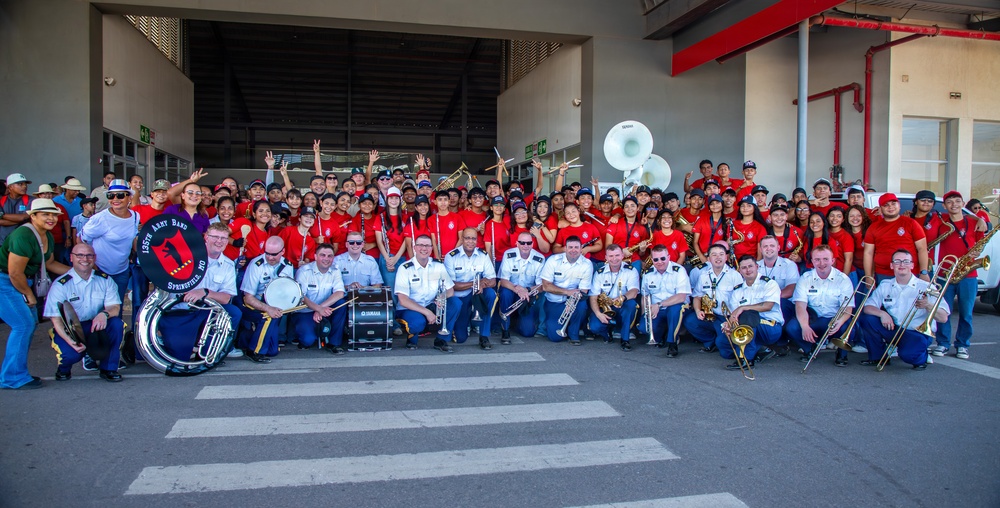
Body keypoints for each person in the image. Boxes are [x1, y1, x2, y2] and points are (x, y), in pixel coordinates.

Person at [0, 199, 71, 389]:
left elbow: (50, 264)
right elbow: (14, 273)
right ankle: (12, 377)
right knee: (23, 325)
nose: (51, 218)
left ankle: (15, 374)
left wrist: (78, 272)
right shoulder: (23, 235)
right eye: (45, 214)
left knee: (27, 325)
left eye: (54, 214)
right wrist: (29, 295)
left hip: (19, 281)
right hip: (6, 281)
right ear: (32, 216)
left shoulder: (44, 235)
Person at [155, 222, 243, 361]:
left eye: (223, 238)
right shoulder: (186, 256)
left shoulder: (228, 265)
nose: (219, 241)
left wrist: (205, 292)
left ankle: (209, 353)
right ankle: (163, 337)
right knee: (179, 357)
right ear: (206, 237)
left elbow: (226, 297)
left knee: (233, 312)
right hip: (181, 311)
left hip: (206, 312)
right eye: (215, 237)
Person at [44, 243, 124, 381]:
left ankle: (108, 369)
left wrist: (104, 314)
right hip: (71, 329)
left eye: (89, 255)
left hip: (95, 325)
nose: (85, 259)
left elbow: (115, 307)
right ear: (71, 258)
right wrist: (70, 340)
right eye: (79, 255)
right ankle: (63, 369)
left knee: (116, 324)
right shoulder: (60, 285)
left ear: (94, 258)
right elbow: (56, 319)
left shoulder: (105, 280)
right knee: (72, 354)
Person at [859, 249, 949, 370]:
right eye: (897, 261)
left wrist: (928, 305)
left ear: (912, 265)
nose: (902, 265)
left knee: (908, 356)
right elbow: (867, 307)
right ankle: (878, 356)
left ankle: (922, 355)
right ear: (892, 265)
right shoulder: (886, 285)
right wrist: (882, 314)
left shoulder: (927, 287)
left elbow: (943, 318)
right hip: (894, 329)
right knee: (867, 319)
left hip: (916, 332)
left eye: (906, 261)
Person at [931, 191, 986, 360]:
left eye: (957, 201)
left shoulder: (974, 221)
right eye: (949, 202)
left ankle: (962, 345)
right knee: (943, 311)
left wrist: (981, 219)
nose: (954, 204)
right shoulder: (940, 221)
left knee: (966, 312)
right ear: (944, 205)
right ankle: (943, 343)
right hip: (945, 272)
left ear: (963, 203)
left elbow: (980, 243)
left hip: (968, 273)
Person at [785, 246, 856, 367]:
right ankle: (810, 349)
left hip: (834, 320)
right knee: (792, 327)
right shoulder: (805, 278)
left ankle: (841, 353)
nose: (821, 263)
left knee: (848, 328)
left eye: (825, 259)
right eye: (817, 259)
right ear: (812, 261)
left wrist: (839, 322)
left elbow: (848, 308)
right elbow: (800, 306)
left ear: (833, 261)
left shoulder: (843, 279)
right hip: (814, 319)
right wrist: (805, 326)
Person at [394, 234, 461, 352]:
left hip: (431, 303)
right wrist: (427, 312)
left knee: (455, 303)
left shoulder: (438, 266)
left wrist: (440, 298)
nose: (424, 249)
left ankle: (441, 340)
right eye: (420, 245)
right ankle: (411, 339)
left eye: (427, 246)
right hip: (410, 308)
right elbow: (403, 300)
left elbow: (450, 291)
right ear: (414, 247)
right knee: (417, 323)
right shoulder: (405, 268)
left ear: (431, 248)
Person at [79, 179, 139, 303]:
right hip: (100, 270)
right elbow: (81, 239)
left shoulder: (135, 216)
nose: (115, 199)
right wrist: (91, 265)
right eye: (111, 195)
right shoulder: (100, 219)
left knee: (117, 307)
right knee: (99, 309)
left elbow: (133, 240)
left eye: (120, 195)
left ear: (130, 197)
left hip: (122, 271)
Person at [238, 236, 294, 363]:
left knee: (273, 351)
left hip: (275, 304)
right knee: (268, 316)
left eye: (274, 254)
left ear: (282, 252)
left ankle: (245, 338)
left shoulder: (288, 266)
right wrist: (268, 308)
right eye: (267, 253)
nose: (270, 257)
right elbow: (248, 297)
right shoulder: (256, 265)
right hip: (252, 303)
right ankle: (255, 351)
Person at [723, 255, 784, 370]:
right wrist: (729, 324)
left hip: (770, 327)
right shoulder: (737, 290)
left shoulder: (769, 284)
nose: (748, 270)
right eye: (744, 268)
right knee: (725, 350)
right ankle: (762, 350)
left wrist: (743, 308)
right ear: (739, 271)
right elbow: (734, 314)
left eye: (750, 266)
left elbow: (768, 306)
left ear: (757, 267)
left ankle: (746, 360)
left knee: (747, 317)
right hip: (751, 326)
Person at [683, 243, 744, 353]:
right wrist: (697, 311)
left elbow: (741, 301)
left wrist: (732, 319)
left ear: (726, 257)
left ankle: (722, 341)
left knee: (725, 350)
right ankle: (711, 341)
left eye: (721, 254)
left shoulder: (735, 275)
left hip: (729, 317)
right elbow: (697, 296)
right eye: (714, 255)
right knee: (690, 321)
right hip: (712, 315)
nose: (718, 257)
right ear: (709, 258)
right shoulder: (703, 276)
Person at [444, 228, 498, 349]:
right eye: (467, 238)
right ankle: (467, 322)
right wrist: (476, 283)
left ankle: (484, 336)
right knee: (460, 339)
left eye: (473, 238)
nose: (470, 241)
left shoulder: (483, 255)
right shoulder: (451, 257)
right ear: (462, 239)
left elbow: (493, 281)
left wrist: (482, 284)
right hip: (460, 298)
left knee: (490, 294)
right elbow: (452, 285)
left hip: (476, 295)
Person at [291, 243, 348, 353]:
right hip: (305, 312)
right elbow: (301, 297)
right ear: (315, 256)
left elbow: (340, 292)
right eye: (322, 255)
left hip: (324, 309)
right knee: (308, 341)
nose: (326, 259)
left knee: (341, 303)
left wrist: (320, 308)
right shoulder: (304, 271)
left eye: (329, 256)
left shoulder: (335, 270)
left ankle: (334, 343)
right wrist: (318, 309)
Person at [863, 193, 929, 284]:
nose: (890, 207)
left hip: (909, 273)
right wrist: (869, 276)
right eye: (886, 205)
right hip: (883, 275)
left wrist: (924, 272)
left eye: (893, 204)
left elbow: (922, 249)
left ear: (899, 205)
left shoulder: (911, 223)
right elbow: (868, 253)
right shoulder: (873, 227)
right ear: (880, 209)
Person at [540, 236, 594, 344]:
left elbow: (584, 291)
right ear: (565, 248)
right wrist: (567, 293)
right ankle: (556, 323)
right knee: (555, 337)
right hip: (554, 302)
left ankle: (573, 334)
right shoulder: (553, 260)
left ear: (581, 248)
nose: (573, 250)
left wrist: (572, 300)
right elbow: (546, 286)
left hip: (575, 300)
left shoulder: (587, 264)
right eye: (570, 247)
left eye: (576, 247)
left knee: (582, 306)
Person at [639, 244, 690, 357]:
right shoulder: (648, 274)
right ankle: (666, 332)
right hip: (657, 310)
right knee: (643, 328)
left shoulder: (679, 270)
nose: (659, 262)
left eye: (663, 258)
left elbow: (681, 296)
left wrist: (659, 304)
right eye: (656, 259)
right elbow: (645, 296)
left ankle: (672, 343)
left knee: (674, 310)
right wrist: (645, 314)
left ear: (668, 257)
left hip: (676, 307)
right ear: (652, 260)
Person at [588, 244, 639, 350]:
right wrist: (598, 314)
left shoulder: (631, 270)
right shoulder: (599, 273)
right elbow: (593, 296)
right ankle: (608, 333)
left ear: (622, 256)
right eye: (610, 256)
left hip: (622, 305)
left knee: (631, 304)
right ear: (605, 257)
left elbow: (634, 291)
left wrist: (622, 298)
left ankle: (625, 339)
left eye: (617, 255)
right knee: (594, 327)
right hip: (606, 307)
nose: (614, 259)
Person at [497, 231, 546, 342]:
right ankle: (505, 328)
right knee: (505, 293)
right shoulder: (509, 255)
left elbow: (541, 286)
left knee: (527, 332)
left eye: (528, 243)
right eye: (522, 243)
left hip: (528, 295)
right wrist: (517, 289)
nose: (525, 246)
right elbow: (503, 281)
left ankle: (516, 321)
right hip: (512, 290)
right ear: (517, 243)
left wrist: (527, 290)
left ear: (532, 244)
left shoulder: (539, 258)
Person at [757, 235, 798, 327]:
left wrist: (770, 299)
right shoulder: (755, 266)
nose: (768, 249)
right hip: (760, 302)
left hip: (781, 302)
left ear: (778, 248)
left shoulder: (789, 265)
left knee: (782, 304)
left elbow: (790, 290)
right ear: (760, 249)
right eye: (765, 246)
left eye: (772, 246)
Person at [605, 196, 649, 271]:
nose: (630, 209)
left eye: (632, 206)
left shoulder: (642, 229)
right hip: (615, 260)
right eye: (626, 206)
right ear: (623, 210)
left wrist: (642, 250)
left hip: (634, 261)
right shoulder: (615, 223)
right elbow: (607, 246)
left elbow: (642, 254)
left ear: (637, 208)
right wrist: (621, 251)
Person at [429, 190, 466, 261]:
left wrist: (451, 255)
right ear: (435, 202)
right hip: (438, 257)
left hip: (454, 257)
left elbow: (461, 238)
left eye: (445, 200)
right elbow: (433, 240)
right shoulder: (431, 219)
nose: (443, 202)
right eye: (440, 200)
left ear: (449, 202)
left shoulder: (457, 217)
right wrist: (437, 257)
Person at [0, 172, 34, 245]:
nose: (24, 186)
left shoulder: (32, 200)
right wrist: (22, 220)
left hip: (24, 241)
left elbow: (25, 217)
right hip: (3, 242)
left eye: (25, 184)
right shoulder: (1, 200)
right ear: (10, 187)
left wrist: (2, 215)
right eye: (20, 184)